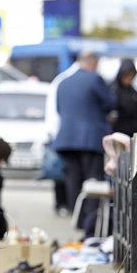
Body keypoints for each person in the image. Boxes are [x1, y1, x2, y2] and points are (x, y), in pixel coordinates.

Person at [52, 51, 116, 231]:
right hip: (90, 138)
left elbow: (59, 109)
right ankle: (91, 220)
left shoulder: (63, 82)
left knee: (73, 178)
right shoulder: (94, 79)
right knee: (93, 180)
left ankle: (77, 217)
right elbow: (110, 103)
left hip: (67, 138)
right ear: (93, 62)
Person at [43, 61, 79, 217]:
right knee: (60, 171)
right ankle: (61, 203)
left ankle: (61, 204)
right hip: (60, 133)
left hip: (59, 133)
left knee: (61, 171)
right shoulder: (64, 81)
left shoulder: (61, 81)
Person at [110, 59, 137, 136]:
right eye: (127, 75)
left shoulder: (133, 93)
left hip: (132, 131)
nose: (129, 79)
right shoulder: (113, 90)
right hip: (115, 132)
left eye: (132, 76)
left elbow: (136, 112)